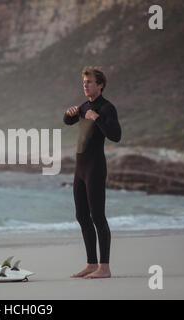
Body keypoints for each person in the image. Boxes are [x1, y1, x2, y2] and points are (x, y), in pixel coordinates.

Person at [63, 67, 121, 279]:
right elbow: (68, 121)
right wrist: (69, 113)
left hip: (95, 167)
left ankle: (104, 268)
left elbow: (116, 135)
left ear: (100, 85)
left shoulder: (107, 108)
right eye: (84, 82)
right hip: (80, 168)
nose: (86, 85)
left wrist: (96, 118)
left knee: (98, 216)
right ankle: (91, 263)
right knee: (81, 216)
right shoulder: (84, 106)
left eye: (90, 82)